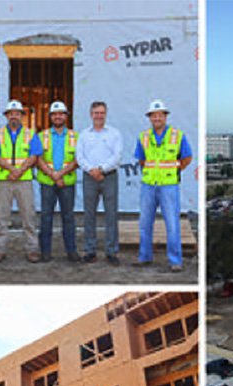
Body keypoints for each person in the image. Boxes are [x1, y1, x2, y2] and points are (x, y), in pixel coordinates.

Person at [132, 100, 192, 271]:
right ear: (149, 118)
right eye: (154, 115)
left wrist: (173, 170)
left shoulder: (177, 135)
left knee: (172, 224)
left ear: (165, 116)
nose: (157, 118)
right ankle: (145, 257)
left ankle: (175, 261)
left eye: (160, 115)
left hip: (169, 186)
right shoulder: (143, 137)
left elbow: (187, 157)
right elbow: (142, 159)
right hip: (149, 185)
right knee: (145, 223)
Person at [0, 99, 42, 263]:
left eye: (17, 114)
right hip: (5, 180)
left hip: (24, 180)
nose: (14, 116)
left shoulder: (30, 134)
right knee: (1, 216)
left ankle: (32, 249)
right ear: (6, 116)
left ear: (22, 116)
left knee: (28, 216)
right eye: (11, 114)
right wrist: (13, 170)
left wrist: (19, 171)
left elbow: (34, 155)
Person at [75, 101, 123, 265]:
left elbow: (117, 157)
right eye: (96, 112)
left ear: (106, 114)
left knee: (111, 214)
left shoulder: (114, 133)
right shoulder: (83, 134)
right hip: (89, 177)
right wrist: (92, 170)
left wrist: (101, 169)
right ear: (91, 114)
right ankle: (90, 251)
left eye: (102, 112)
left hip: (109, 176)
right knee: (89, 215)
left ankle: (111, 252)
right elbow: (79, 157)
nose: (99, 116)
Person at [36, 101, 80, 262]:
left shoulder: (75, 137)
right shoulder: (42, 136)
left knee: (68, 217)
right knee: (46, 217)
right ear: (50, 117)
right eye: (55, 114)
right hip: (47, 182)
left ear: (66, 116)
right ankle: (45, 252)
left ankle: (71, 251)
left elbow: (78, 160)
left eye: (61, 113)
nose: (58, 116)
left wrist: (60, 174)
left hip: (67, 183)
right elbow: (38, 159)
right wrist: (53, 175)